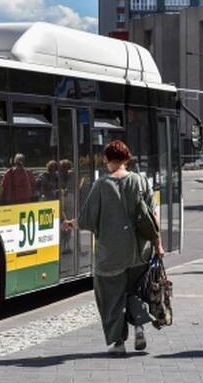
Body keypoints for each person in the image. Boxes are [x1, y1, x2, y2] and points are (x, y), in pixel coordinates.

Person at [64, 140, 160, 355]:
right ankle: (139, 327)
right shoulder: (141, 181)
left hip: (110, 255)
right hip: (139, 252)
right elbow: (153, 217)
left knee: (110, 298)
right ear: (127, 158)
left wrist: (71, 223)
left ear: (106, 159)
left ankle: (118, 342)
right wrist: (158, 246)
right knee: (135, 292)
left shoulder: (101, 185)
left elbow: (88, 219)